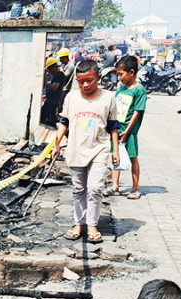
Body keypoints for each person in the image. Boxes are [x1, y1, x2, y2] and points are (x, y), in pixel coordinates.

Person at [53, 60, 120, 244]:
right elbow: (64, 123)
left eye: (89, 80)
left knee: (96, 188)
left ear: (98, 77)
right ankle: (79, 223)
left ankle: (92, 225)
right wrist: (56, 143)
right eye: (81, 81)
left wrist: (115, 151)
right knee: (78, 189)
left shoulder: (108, 98)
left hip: (99, 148)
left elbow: (114, 126)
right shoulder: (71, 98)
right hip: (76, 149)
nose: (85, 85)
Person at [106, 55, 147, 199]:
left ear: (131, 72)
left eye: (121, 74)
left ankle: (135, 188)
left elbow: (137, 112)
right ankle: (115, 186)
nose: (119, 77)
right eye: (118, 74)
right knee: (115, 156)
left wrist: (127, 131)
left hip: (130, 131)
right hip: (118, 128)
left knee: (132, 157)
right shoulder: (121, 88)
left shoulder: (139, 90)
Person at [41, 57, 66, 127]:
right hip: (51, 100)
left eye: (49, 69)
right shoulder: (57, 75)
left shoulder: (59, 75)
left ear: (52, 67)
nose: (48, 72)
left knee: (50, 119)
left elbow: (54, 88)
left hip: (52, 101)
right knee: (45, 116)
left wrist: (45, 81)